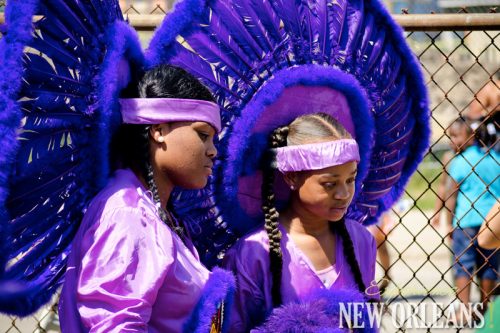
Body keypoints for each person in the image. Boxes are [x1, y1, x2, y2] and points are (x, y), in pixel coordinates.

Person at [58, 64, 230, 332]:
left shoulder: (154, 213)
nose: (212, 152)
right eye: (203, 135)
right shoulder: (129, 214)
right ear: (158, 130)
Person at [222, 113, 379, 332]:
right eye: (330, 183)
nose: (344, 193)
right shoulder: (253, 254)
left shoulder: (361, 241)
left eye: (350, 179)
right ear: (291, 177)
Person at [445, 118, 500, 316]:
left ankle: (463, 309)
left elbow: (451, 196)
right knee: (489, 264)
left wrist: (449, 223)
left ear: (470, 137)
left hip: (465, 220)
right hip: (492, 221)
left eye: (455, 136)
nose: (451, 141)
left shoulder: (460, 162)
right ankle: (486, 307)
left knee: (463, 264)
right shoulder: (495, 159)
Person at [431, 118, 475, 233]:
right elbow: (443, 185)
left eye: (455, 136)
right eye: (450, 136)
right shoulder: (449, 158)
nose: (451, 140)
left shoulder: (475, 157)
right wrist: (437, 212)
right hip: (453, 209)